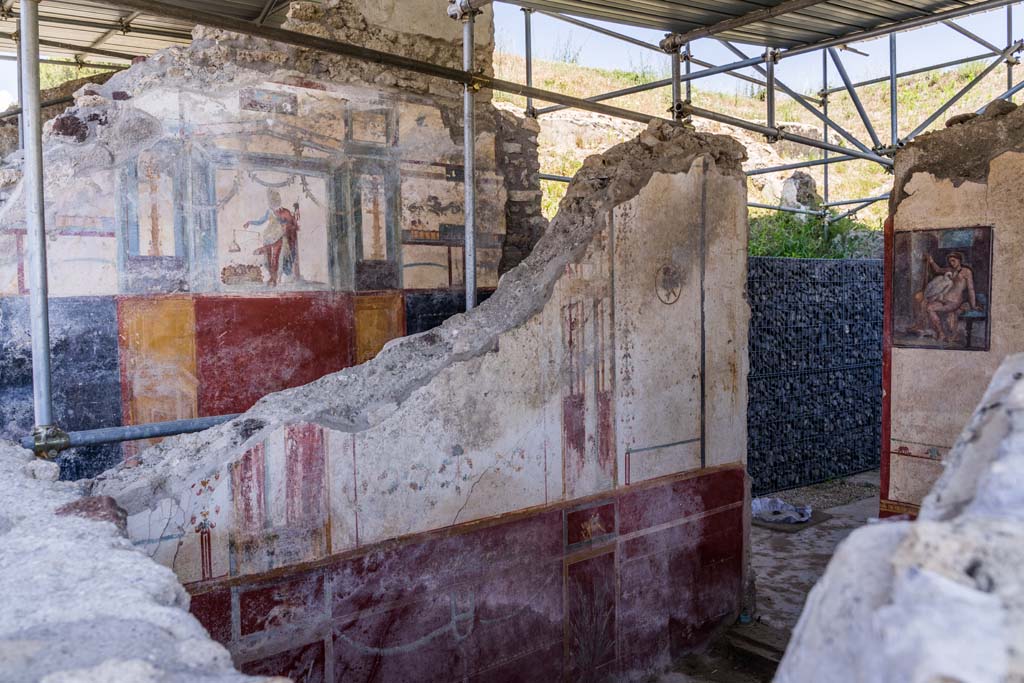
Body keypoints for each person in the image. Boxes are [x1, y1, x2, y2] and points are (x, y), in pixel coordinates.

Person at [245, 189, 301, 286]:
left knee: (275, 258)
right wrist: (250, 222)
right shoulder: (269, 211)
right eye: (270, 200)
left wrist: (286, 226)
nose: (271, 202)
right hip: (268, 238)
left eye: (273, 200)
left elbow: (293, 225)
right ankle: (272, 277)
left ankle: (274, 279)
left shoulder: (285, 212)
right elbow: (261, 221)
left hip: (279, 237)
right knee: (268, 260)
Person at [922, 251, 980, 343]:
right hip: (944, 299)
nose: (952, 263)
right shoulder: (950, 270)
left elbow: (971, 289)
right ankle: (941, 333)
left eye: (953, 261)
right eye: (950, 261)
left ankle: (944, 334)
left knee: (930, 308)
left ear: (959, 260)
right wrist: (931, 261)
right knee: (928, 307)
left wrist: (973, 305)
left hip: (955, 301)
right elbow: (938, 270)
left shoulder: (966, 272)